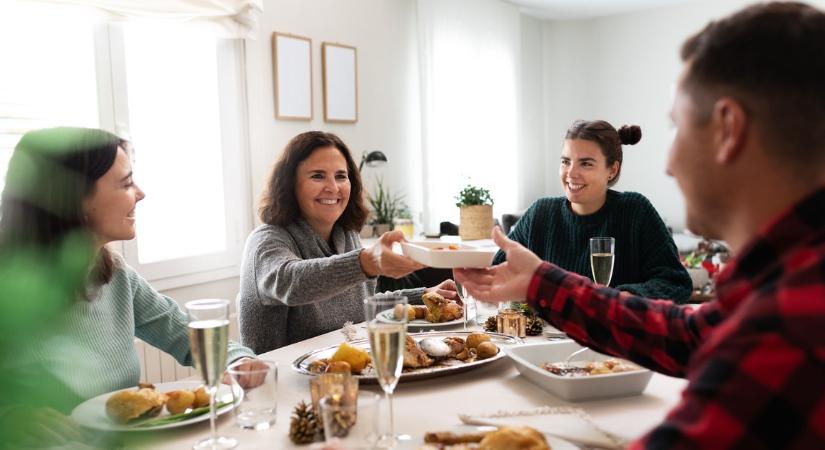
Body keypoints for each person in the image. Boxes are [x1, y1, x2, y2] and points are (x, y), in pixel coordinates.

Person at [457, 2, 825, 447]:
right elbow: (688, 335)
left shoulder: (792, 319)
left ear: (729, 129)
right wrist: (540, 282)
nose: (668, 165)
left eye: (677, 127)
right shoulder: (783, 275)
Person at [0, 128, 258, 447]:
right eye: (125, 183)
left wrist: (236, 361)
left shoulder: (115, 275)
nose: (140, 193)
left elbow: (185, 333)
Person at [238, 131, 456, 353]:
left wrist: (424, 295)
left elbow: (364, 302)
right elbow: (292, 283)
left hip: (341, 374)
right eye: (317, 176)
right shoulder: (266, 240)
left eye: (341, 176)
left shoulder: (345, 234)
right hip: (277, 381)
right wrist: (366, 262)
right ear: (290, 184)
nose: (333, 187)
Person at [493, 120, 692, 302]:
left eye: (586, 163)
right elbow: (498, 274)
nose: (571, 173)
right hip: (545, 337)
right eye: (565, 161)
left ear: (612, 170)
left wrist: (618, 299)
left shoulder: (635, 211)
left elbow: (675, 282)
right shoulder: (540, 213)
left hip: (612, 336)